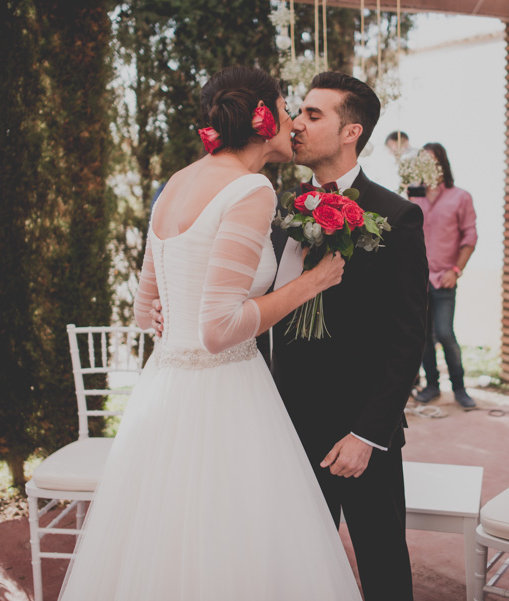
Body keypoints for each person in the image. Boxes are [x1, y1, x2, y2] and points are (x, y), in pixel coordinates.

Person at [57, 66, 360, 601]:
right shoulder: (250, 189)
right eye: (287, 110)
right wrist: (312, 283)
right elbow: (220, 330)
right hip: (226, 393)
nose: (293, 123)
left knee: (165, 541)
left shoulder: (179, 180)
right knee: (234, 540)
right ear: (263, 120)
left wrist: (171, 320)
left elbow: (144, 304)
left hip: (167, 390)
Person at [272, 72, 428, 601]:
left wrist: (367, 434)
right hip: (286, 426)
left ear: (350, 132)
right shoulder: (282, 212)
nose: (296, 124)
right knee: (294, 565)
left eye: (313, 115)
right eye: (299, 112)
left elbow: (409, 337)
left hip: (361, 433)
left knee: (382, 566)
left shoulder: (398, 215)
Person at [411, 142, 478, 409]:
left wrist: (456, 270)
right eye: (423, 160)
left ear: (442, 163)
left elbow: (470, 237)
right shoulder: (412, 194)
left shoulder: (460, 196)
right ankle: (431, 385)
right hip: (417, 278)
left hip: (445, 277)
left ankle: (460, 388)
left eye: (433, 160)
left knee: (444, 332)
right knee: (423, 334)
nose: (428, 165)